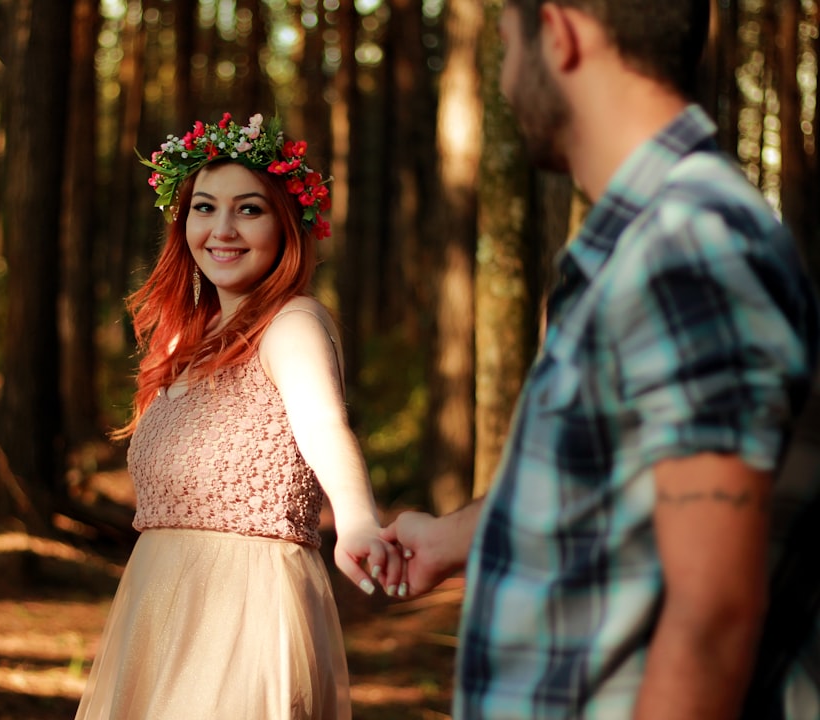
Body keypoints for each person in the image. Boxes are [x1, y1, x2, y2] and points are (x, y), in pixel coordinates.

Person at [381, 1, 820, 718]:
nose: (505, 78)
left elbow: (712, 615)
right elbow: (632, 475)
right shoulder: (655, 243)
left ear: (559, 33)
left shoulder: (687, 247)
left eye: (506, 49)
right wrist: (453, 539)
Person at [73, 112, 402, 720]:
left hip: (245, 607)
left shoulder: (292, 324)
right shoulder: (182, 342)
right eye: (204, 207)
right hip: (157, 607)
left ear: (287, 223)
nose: (222, 229)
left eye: (249, 209)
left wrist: (357, 520)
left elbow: (325, 425)